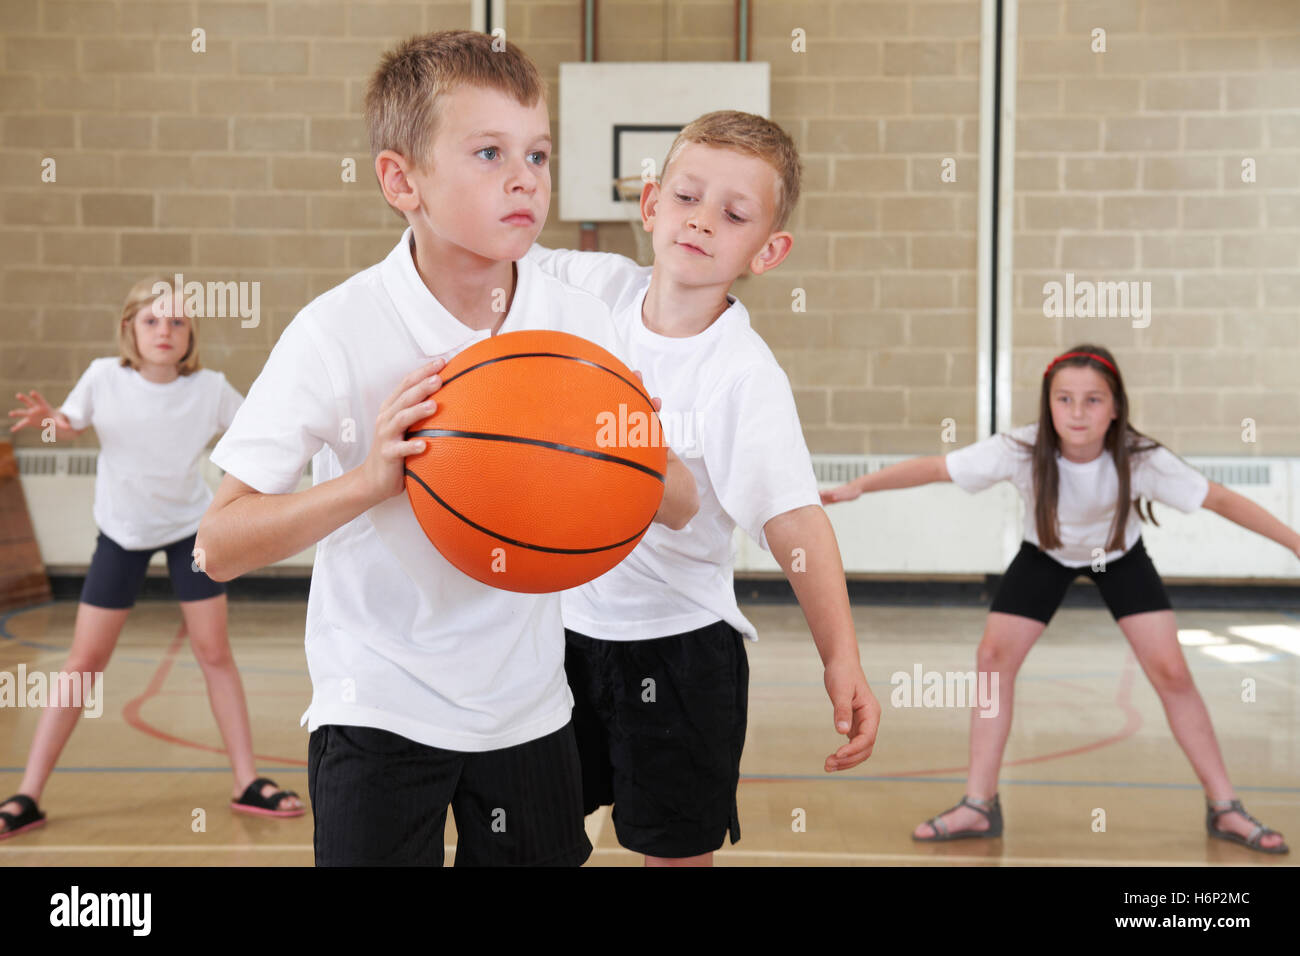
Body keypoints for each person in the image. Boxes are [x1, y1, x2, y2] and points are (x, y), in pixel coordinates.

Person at [195, 31, 697, 867]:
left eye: (537, 153)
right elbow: (216, 547)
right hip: (377, 707)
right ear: (402, 180)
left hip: (530, 709)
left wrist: (635, 444)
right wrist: (369, 480)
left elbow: (678, 507)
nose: (524, 178)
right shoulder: (336, 331)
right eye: (489, 152)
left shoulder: (577, 324)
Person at [527, 110, 881, 867]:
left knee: (675, 854)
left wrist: (840, 657)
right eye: (687, 197)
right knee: (537, 837)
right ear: (650, 205)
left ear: (769, 250)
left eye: (734, 213)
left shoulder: (742, 375)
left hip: (679, 651)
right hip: (560, 634)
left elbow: (796, 525)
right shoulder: (592, 292)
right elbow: (500, 256)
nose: (701, 221)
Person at [822, 344, 1293, 854]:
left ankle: (1225, 806)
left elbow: (1219, 498)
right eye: (1064, 398)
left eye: (1093, 400)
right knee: (992, 659)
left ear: (1115, 408)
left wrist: (1295, 542)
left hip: (1119, 557)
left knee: (1172, 671)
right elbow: (938, 467)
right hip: (1045, 555)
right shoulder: (1022, 448)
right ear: (1048, 404)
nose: (1077, 411)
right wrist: (860, 487)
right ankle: (978, 805)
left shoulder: (1139, 456)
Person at [2, 275, 304, 842]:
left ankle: (247, 781)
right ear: (130, 330)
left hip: (190, 532)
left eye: (178, 322)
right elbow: (66, 426)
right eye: (152, 321)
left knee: (214, 652)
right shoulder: (102, 377)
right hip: (121, 532)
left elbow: (260, 433)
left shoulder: (210, 387)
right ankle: (27, 794)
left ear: (191, 336)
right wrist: (51, 421)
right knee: (84, 661)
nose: (165, 331)